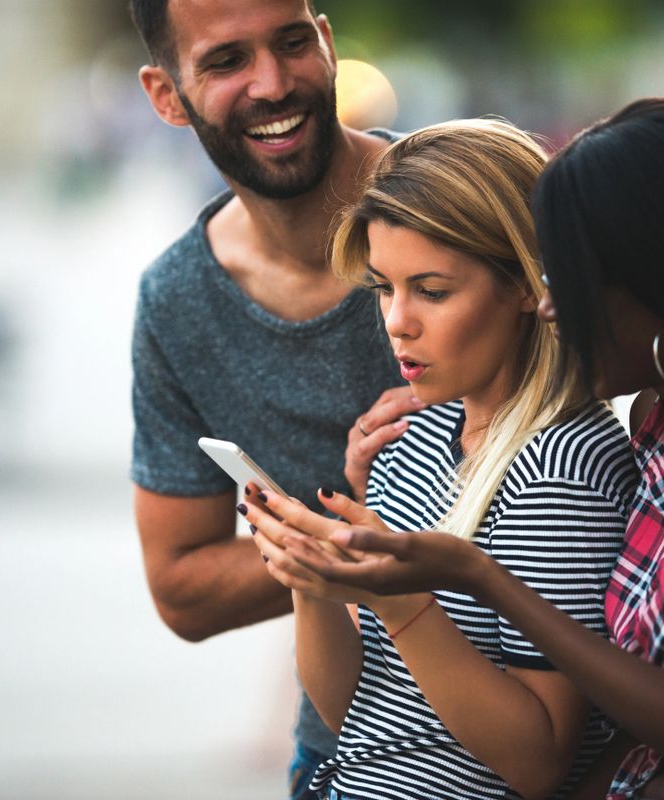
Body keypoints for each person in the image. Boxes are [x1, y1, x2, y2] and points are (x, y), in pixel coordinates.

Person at [276, 99, 664, 799]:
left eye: (432, 290)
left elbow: (542, 760)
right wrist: (312, 582)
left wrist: (411, 599)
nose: (397, 323)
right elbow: (361, 716)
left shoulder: (566, 463)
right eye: (384, 289)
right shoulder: (415, 439)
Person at [126, 1, 418, 796]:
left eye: (292, 43)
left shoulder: (467, 202)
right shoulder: (177, 303)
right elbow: (181, 585)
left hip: (561, 728)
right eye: (225, 62)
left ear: (325, 41)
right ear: (166, 94)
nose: (273, 83)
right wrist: (359, 530)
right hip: (349, 752)